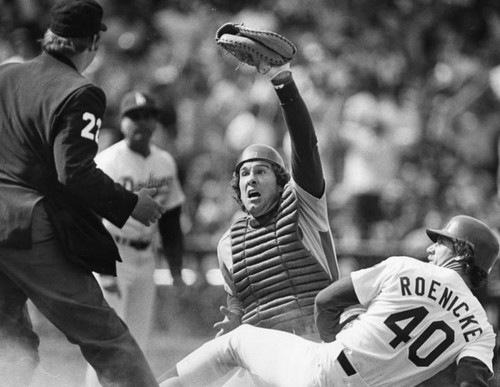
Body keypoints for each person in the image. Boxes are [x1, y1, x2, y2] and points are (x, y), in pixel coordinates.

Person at [0, 1, 165, 386]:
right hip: (28, 225)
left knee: (11, 340)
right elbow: (73, 173)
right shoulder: (79, 91)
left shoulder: (5, 75)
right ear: (91, 43)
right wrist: (131, 204)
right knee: (107, 337)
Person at [159, 214, 499, 387]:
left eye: (440, 243)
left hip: (327, 369)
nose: (430, 248)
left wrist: (344, 332)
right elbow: (469, 382)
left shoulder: (405, 267)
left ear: (460, 250)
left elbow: (325, 302)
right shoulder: (482, 330)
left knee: (236, 343)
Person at [212, 50, 339, 343]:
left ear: (281, 182)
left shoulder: (305, 207)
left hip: (319, 345)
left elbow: (305, 144)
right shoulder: (228, 244)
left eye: (261, 172)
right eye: (244, 174)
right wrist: (234, 316)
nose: (251, 178)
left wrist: (282, 82)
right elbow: (236, 297)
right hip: (266, 354)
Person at [86, 90, 186, 386]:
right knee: (107, 342)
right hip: (112, 253)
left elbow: (171, 220)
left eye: (149, 116)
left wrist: (177, 271)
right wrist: (103, 271)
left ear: (156, 121)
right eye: (135, 116)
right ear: (122, 121)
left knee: (138, 341)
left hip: (146, 258)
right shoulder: (108, 161)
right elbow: (90, 219)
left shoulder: (165, 162)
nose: (142, 123)